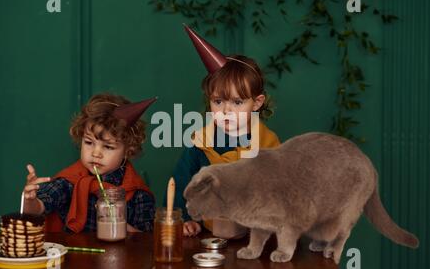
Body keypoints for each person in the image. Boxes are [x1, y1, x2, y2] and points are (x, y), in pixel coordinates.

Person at [171, 26, 281, 237]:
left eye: (238, 102)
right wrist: (184, 220)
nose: (226, 111)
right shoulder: (201, 143)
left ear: (257, 103)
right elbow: (181, 182)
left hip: (256, 235)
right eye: (218, 101)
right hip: (208, 232)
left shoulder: (268, 144)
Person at [22, 93, 157, 233]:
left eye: (108, 146)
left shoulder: (138, 194)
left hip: (120, 255)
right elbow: (37, 209)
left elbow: (146, 241)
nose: (96, 153)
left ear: (128, 150)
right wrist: (30, 201)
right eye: (89, 142)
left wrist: (118, 224)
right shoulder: (69, 182)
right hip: (73, 254)